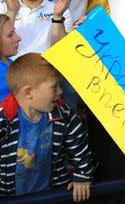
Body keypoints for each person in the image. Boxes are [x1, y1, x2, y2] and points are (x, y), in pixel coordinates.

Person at [0, 53, 93, 200]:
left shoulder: (63, 114)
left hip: (52, 194)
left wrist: (83, 174)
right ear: (28, 92)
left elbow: (79, 147)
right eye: (54, 87)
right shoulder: (4, 121)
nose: (60, 92)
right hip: (10, 198)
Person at [0, 14, 20, 101]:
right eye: (10, 35)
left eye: (14, 32)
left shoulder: (7, 62)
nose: (18, 38)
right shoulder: (5, 76)